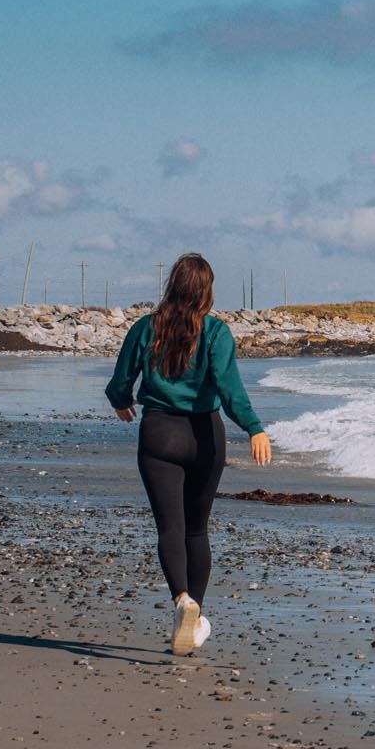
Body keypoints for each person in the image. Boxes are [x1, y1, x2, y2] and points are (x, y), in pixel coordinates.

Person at [106, 252, 271, 657]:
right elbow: (229, 388)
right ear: (207, 292)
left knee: (169, 529)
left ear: (172, 287)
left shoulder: (146, 329)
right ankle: (195, 620)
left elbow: (120, 380)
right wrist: (255, 428)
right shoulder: (216, 333)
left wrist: (121, 401)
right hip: (204, 436)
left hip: (159, 434)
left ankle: (182, 600)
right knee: (197, 530)